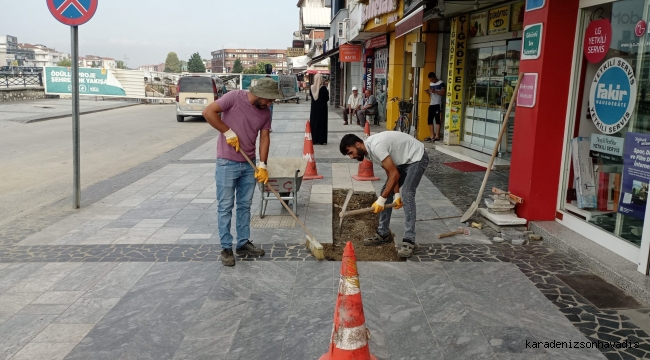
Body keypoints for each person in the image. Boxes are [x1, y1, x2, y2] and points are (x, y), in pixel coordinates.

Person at [202, 77, 282, 267]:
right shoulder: (233, 97)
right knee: (225, 206)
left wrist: (262, 164)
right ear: (260, 94)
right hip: (226, 163)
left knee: (245, 205)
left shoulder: (265, 111)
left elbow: (264, 138)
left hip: (248, 164)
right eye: (268, 99)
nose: (270, 103)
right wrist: (227, 132)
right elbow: (208, 112)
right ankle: (226, 247)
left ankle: (243, 243)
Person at [339, 132, 429, 258]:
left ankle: (409, 240)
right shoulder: (369, 154)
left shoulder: (377, 147)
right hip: (402, 162)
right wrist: (396, 194)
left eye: (350, 152)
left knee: (408, 193)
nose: (351, 157)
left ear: (358, 144)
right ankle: (383, 233)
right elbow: (390, 172)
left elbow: (395, 174)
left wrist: (381, 200)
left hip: (417, 157)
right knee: (385, 191)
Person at [424, 72, 445, 142]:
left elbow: (443, 93)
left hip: (438, 104)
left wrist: (435, 91)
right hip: (431, 103)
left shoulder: (441, 83)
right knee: (430, 120)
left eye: (432, 79)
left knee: (437, 119)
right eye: (430, 80)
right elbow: (431, 94)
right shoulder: (431, 84)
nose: (432, 81)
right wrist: (428, 92)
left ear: (435, 77)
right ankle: (432, 135)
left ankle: (437, 135)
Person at [309, 73, 329, 145]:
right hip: (322, 109)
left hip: (314, 109)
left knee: (314, 122)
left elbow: (311, 96)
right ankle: (321, 139)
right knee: (321, 123)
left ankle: (314, 139)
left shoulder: (311, 88)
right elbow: (327, 98)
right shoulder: (323, 88)